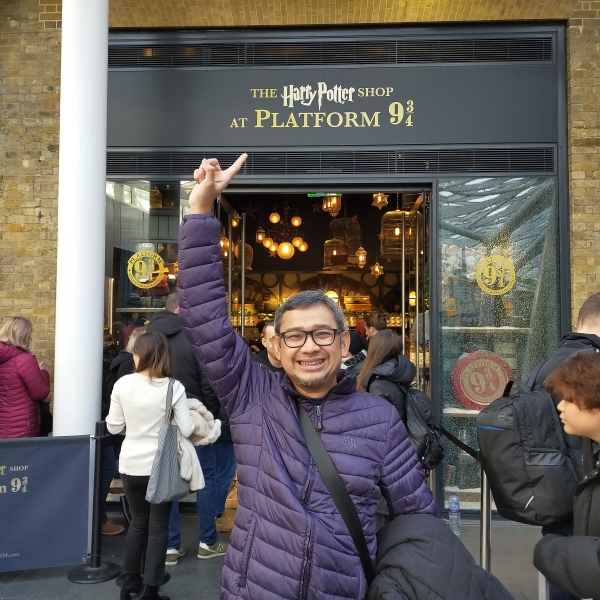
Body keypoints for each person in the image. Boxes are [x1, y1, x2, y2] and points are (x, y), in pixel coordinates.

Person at [176, 154, 438, 600]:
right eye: (295, 336)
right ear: (275, 349)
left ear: (344, 344)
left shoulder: (378, 418)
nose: (310, 347)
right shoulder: (250, 395)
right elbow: (204, 319)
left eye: (322, 334)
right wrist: (201, 210)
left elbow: (417, 518)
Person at [146, 291, 235, 564]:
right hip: (193, 417)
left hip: (158, 420)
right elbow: (209, 383)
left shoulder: (147, 340)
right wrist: (207, 414)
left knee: (167, 480)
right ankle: (207, 542)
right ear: (181, 310)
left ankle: (170, 547)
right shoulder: (194, 339)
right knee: (206, 479)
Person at [106, 331, 195, 600]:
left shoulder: (123, 384)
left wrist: (134, 428)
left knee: (137, 524)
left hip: (130, 465)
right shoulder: (173, 387)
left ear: (139, 355)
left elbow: (113, 426)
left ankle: (129, 582)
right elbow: (187, 429)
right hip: (161, 467)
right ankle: (151, 589)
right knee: (158, 529)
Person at [528, 292, 600, 600]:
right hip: (577, 498)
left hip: (558, 493)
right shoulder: (585, 364)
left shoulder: (544, 364)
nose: (562, 406)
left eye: (570, 400)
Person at [101, 326, 147, 536]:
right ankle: (103, 519)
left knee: (113, 470)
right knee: (110, 471)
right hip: (123, 433)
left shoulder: (119, 364)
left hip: (118, 433)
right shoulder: (128, 369)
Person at [0, 317, 50, 438]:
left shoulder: (3, 357)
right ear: (23, 336)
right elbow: (40, 393)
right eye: (29, 336)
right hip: (21, 425)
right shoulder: (24, 359)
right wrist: (43, 372)